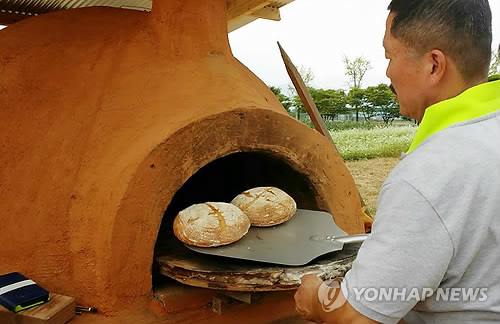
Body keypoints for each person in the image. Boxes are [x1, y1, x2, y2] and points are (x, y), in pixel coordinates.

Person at [294, 0, 500, 323]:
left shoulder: (428, 175)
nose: (388, 72)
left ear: (434, 65)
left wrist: (316, 298)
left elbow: (355, 317)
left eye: (389, 56)